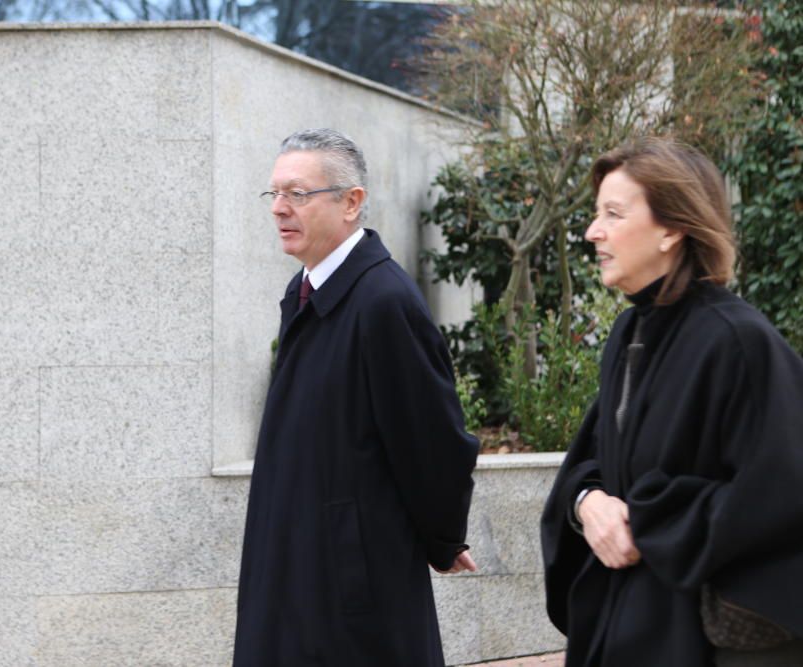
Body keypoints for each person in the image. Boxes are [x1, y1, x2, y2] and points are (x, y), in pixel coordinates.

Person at [541, 137, 803, 667]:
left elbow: (781, 493)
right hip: (626, 626)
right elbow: (597, 458)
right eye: (597, 215)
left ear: (673, 227)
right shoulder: (629, 331)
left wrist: (649, 520)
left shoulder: (738, 341)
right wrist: (585, 501)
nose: (594, 232)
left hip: (696, 640)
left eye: (613, 214)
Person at [233, 128, 480, 666]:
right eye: (273, 193)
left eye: (298, 194)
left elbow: (431, 438)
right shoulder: (305, 292)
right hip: (294, 565)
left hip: (349, 588)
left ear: (352, 203)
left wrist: (443, 536)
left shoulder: (382, 302)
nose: (279, 209)